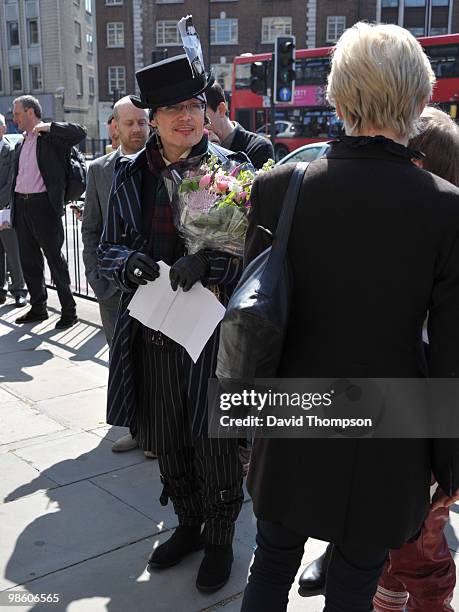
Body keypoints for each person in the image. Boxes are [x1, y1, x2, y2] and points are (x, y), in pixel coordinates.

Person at [240, 23, 459, 611]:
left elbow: (256, 313)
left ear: (337, 98)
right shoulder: (445, 206)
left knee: (272, 566)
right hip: (387, 432)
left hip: (292, 418)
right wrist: (447, 462)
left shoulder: (279, 186)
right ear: (419, 100)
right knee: (356, 584)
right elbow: (449, 349)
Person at [299, 107, 459, 611]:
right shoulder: (414, 230)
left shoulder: (439, 237)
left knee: (420, 548)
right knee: (385, 547)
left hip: (419, 434)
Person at [97, 55, 244, 592]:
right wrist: (126, 265)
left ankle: (222, 537)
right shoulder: (130, 175)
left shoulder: (229, 171)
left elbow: (256, 254)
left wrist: (212, 263)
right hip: (153, 332)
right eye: (174, 109)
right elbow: (105, 248)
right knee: (169, 435)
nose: (188, 117)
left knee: (215, 441)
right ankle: (188, 525)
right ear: (151, 117)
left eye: (195, 105)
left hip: (213, 339)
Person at [81, 96, 150, 455]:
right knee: (122, 359)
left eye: (142, 122)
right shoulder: (98, 170)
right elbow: (90, 228)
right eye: (130, 123)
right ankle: (138, 429)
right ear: (115, 127)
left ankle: (159, 433)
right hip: (112, 288)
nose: (137, 129)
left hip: (154, 284)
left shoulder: (160, 164)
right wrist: (96, 277)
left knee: (155, 362)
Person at [11, 95, 86, 329]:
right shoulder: (20, 143)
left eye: (17, 114)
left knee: (54, 259)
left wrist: (50, 127)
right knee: (29, 261)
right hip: (22, 206)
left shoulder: (51, 138)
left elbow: (80, 132)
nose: (14, 119)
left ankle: (69, 310)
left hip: (44, 206)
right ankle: (38, 308)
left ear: (31, 112)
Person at [205, 81, 274, 169]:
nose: (199, 125)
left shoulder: (258, 147)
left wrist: (215, 152)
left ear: (221, 110)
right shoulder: (195, 146)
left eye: (204, 118)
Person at [0, 113, 27, 307]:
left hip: (5, 208)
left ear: (2, 128)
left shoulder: (9, 150)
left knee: (13, 250)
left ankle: (18, 290)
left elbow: (11, 181)